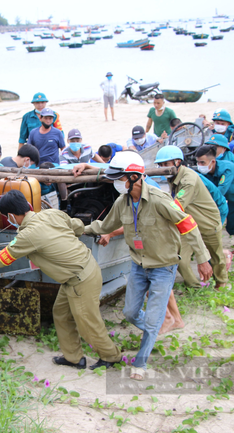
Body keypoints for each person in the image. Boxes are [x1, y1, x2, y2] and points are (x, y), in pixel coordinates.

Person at [84, 151, 212, 380]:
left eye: (119, 177)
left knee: (153, 318)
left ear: (134, 177)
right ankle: (154, 328)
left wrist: (202, 259)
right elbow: (104, 226)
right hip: (138, 265)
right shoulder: (122, 202)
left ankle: (141, 361)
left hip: (164, 266)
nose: (115, 182)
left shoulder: (159, 199)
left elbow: (187, 224)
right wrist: (78, 228)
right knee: (131, 312)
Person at [0, 190, 122, 370]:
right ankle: (74, 358)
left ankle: (111, 357)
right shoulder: (51, 213)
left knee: (87, 322)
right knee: (61, 314)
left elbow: (1, 260)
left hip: (80, 279)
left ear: (11, 216)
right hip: (80, 273)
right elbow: (77, 226)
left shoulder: (27, 235)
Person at [154, 146, 230, 290]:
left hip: (207, 222)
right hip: (188, 224)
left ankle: (221, 282)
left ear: (177, 162)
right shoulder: (174, 176)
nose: (162, 168)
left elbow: (177, 207)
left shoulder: (188, 179)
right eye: (160, 165)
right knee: (180, 257)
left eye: (166, 164)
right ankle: (194, 286)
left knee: (216, 255)